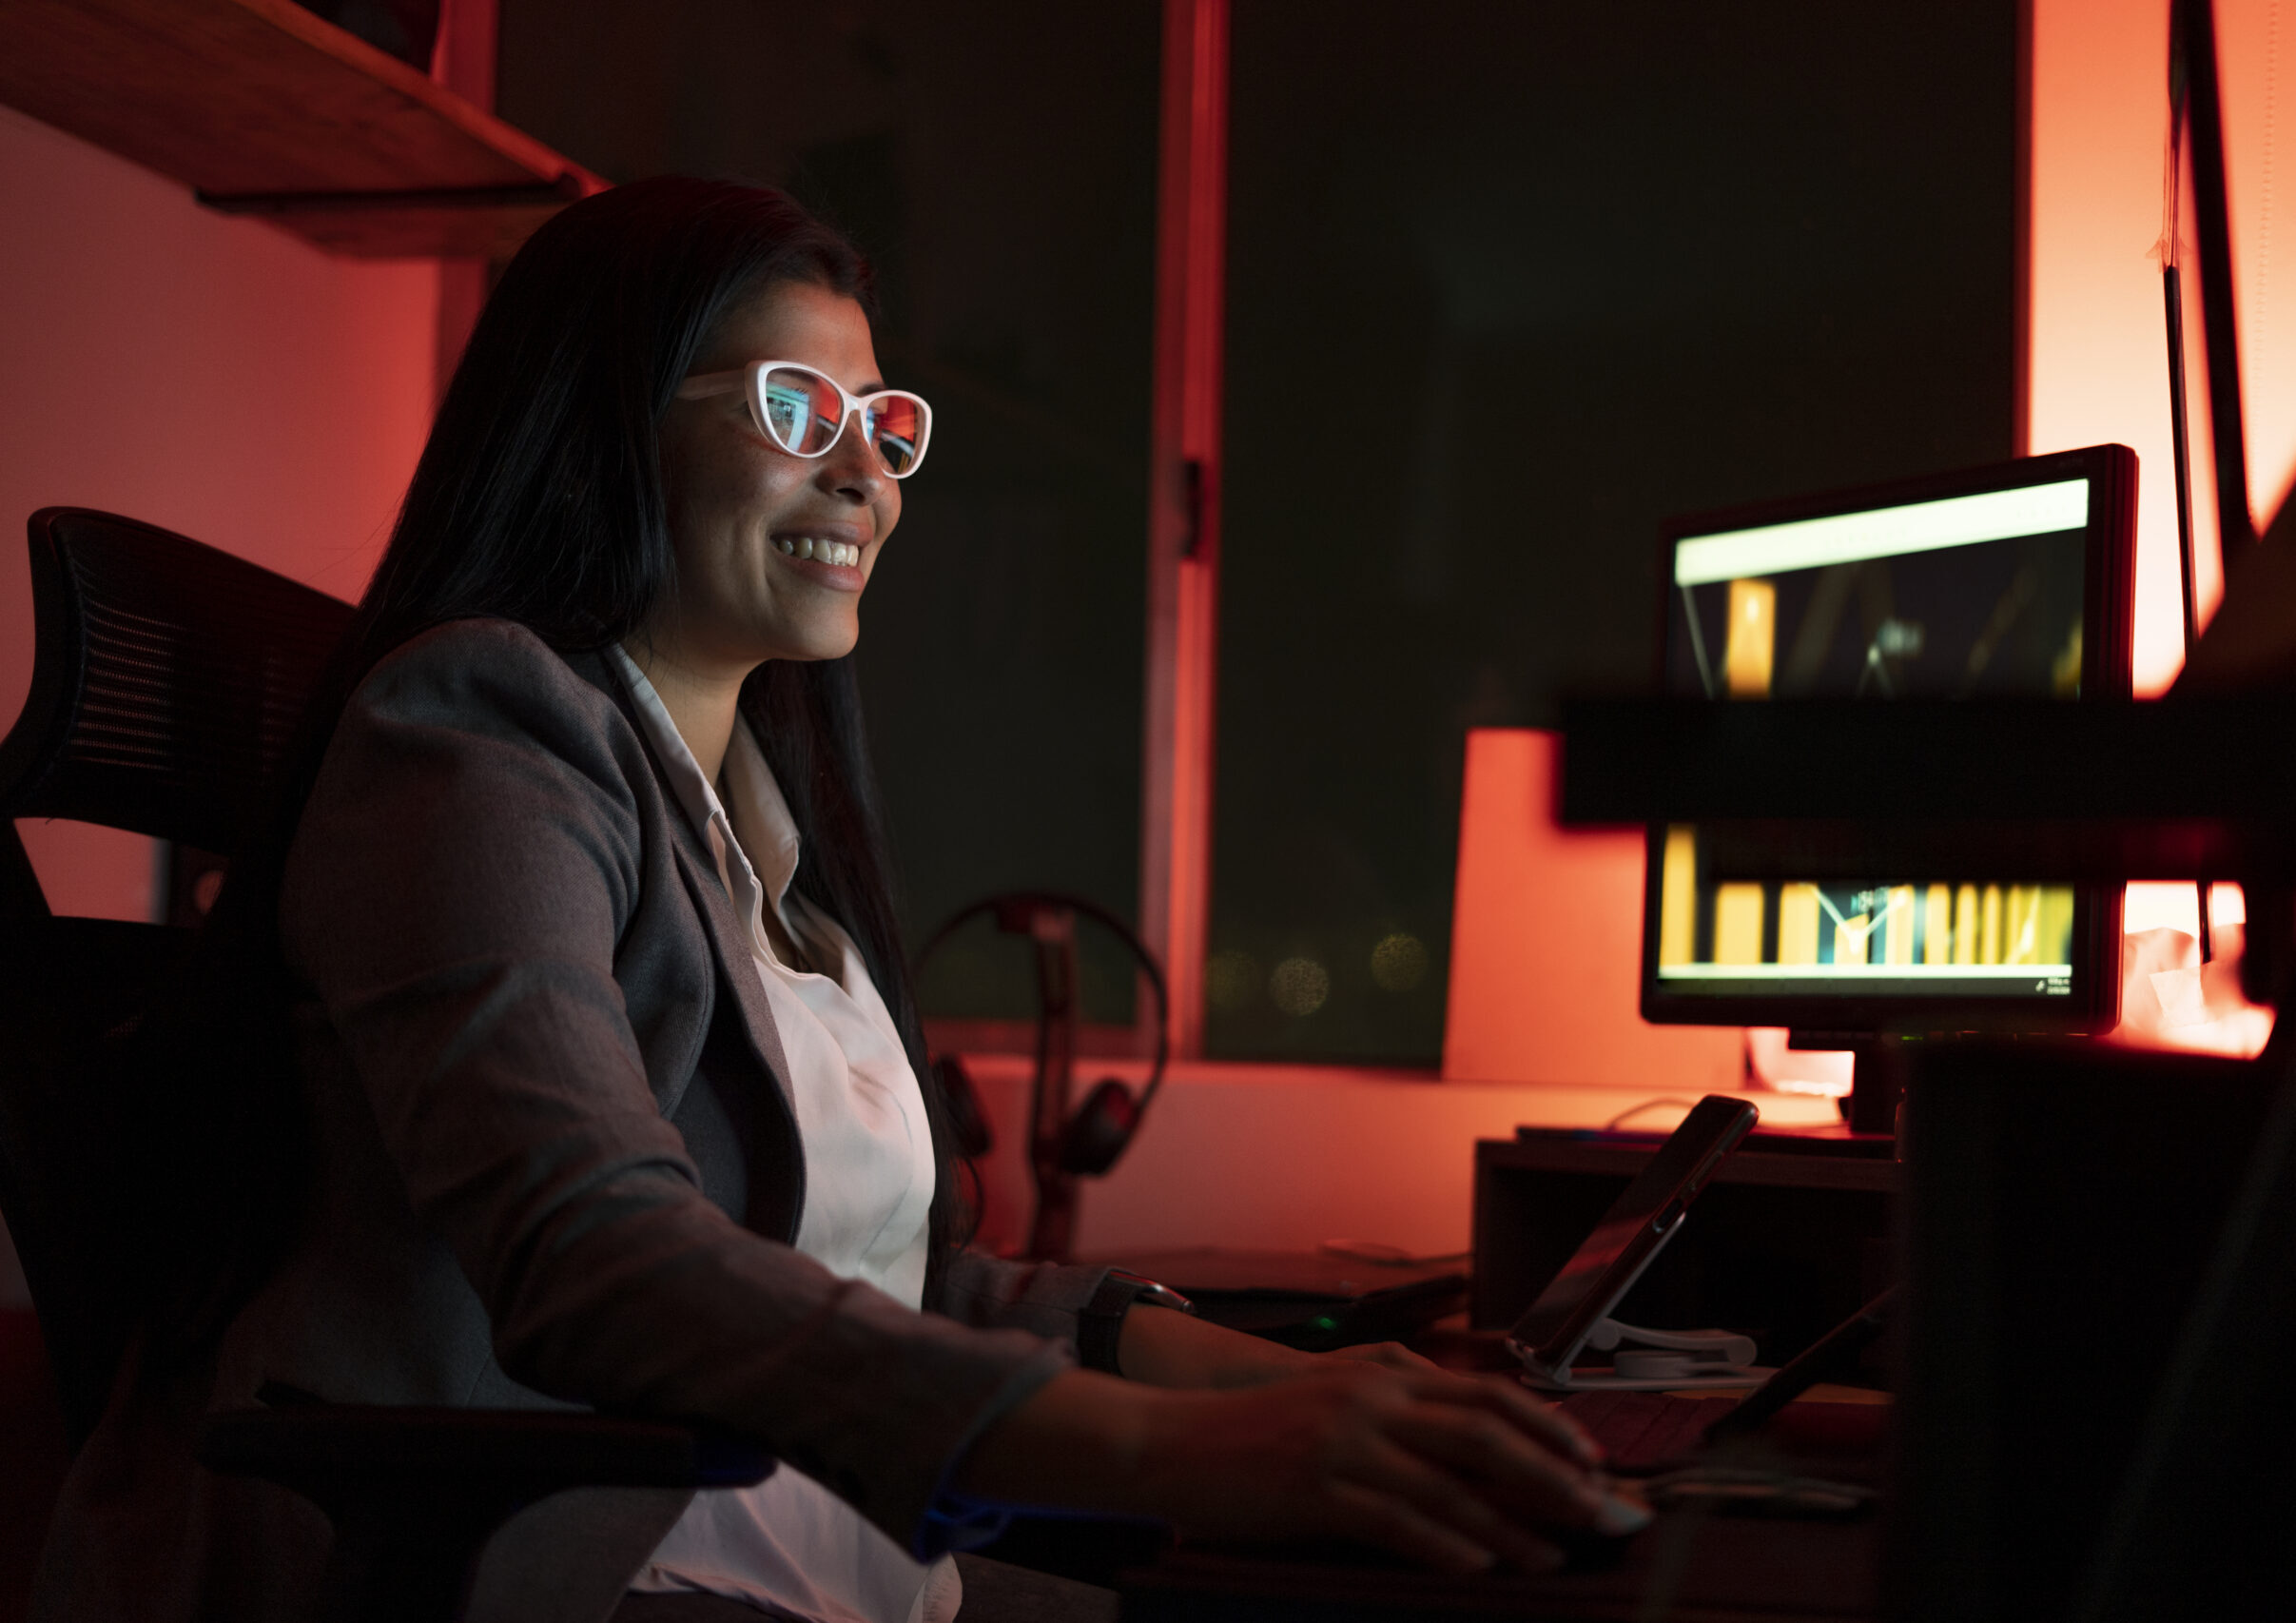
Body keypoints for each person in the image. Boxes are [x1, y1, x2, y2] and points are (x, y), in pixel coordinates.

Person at [31, 178, 1644, 1623]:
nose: (867, 472)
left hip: (837, 1557)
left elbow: (894, 1271)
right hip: (575, 1565)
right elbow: (591, 1253)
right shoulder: (469, 737)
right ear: (605, 422)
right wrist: (1174, 1449)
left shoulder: (760, 849)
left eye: (886, 422)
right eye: (799, 405)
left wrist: (1290, 1380)